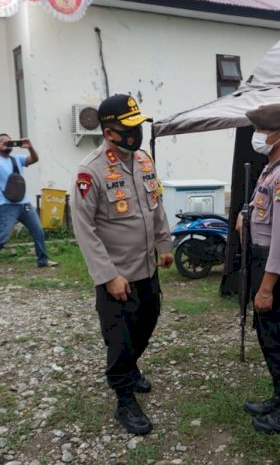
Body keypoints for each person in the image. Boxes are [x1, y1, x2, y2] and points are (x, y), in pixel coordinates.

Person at [71, 94, 173, 435]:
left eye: (137, 126)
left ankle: (129, 369)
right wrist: (108, 275)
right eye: (128, 128)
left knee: (147, 322)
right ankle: (124, 397)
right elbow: (84, 229)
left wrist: (164, 243)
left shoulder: (143, 160)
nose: (136, 133)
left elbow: (155, 206)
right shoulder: (91, 170)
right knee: (121, 337)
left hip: (147, 268)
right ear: (109, 131)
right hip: (118, 276)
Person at [237, 103, 280, 434]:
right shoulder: (271, 169)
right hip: (261, 261)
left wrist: (266, 287)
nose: (258, 136)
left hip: (275, 269)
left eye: (263, 130)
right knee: (267, 336)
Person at [0, 134, 57, 274]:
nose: (5, 142)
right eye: (1, 141)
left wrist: (30, 147)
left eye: (7, 140)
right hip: (6, 205)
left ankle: (43, 260)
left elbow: (34, 159)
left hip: (24, 203)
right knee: (3, 236)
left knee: (38, 231)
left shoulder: (16, 159)